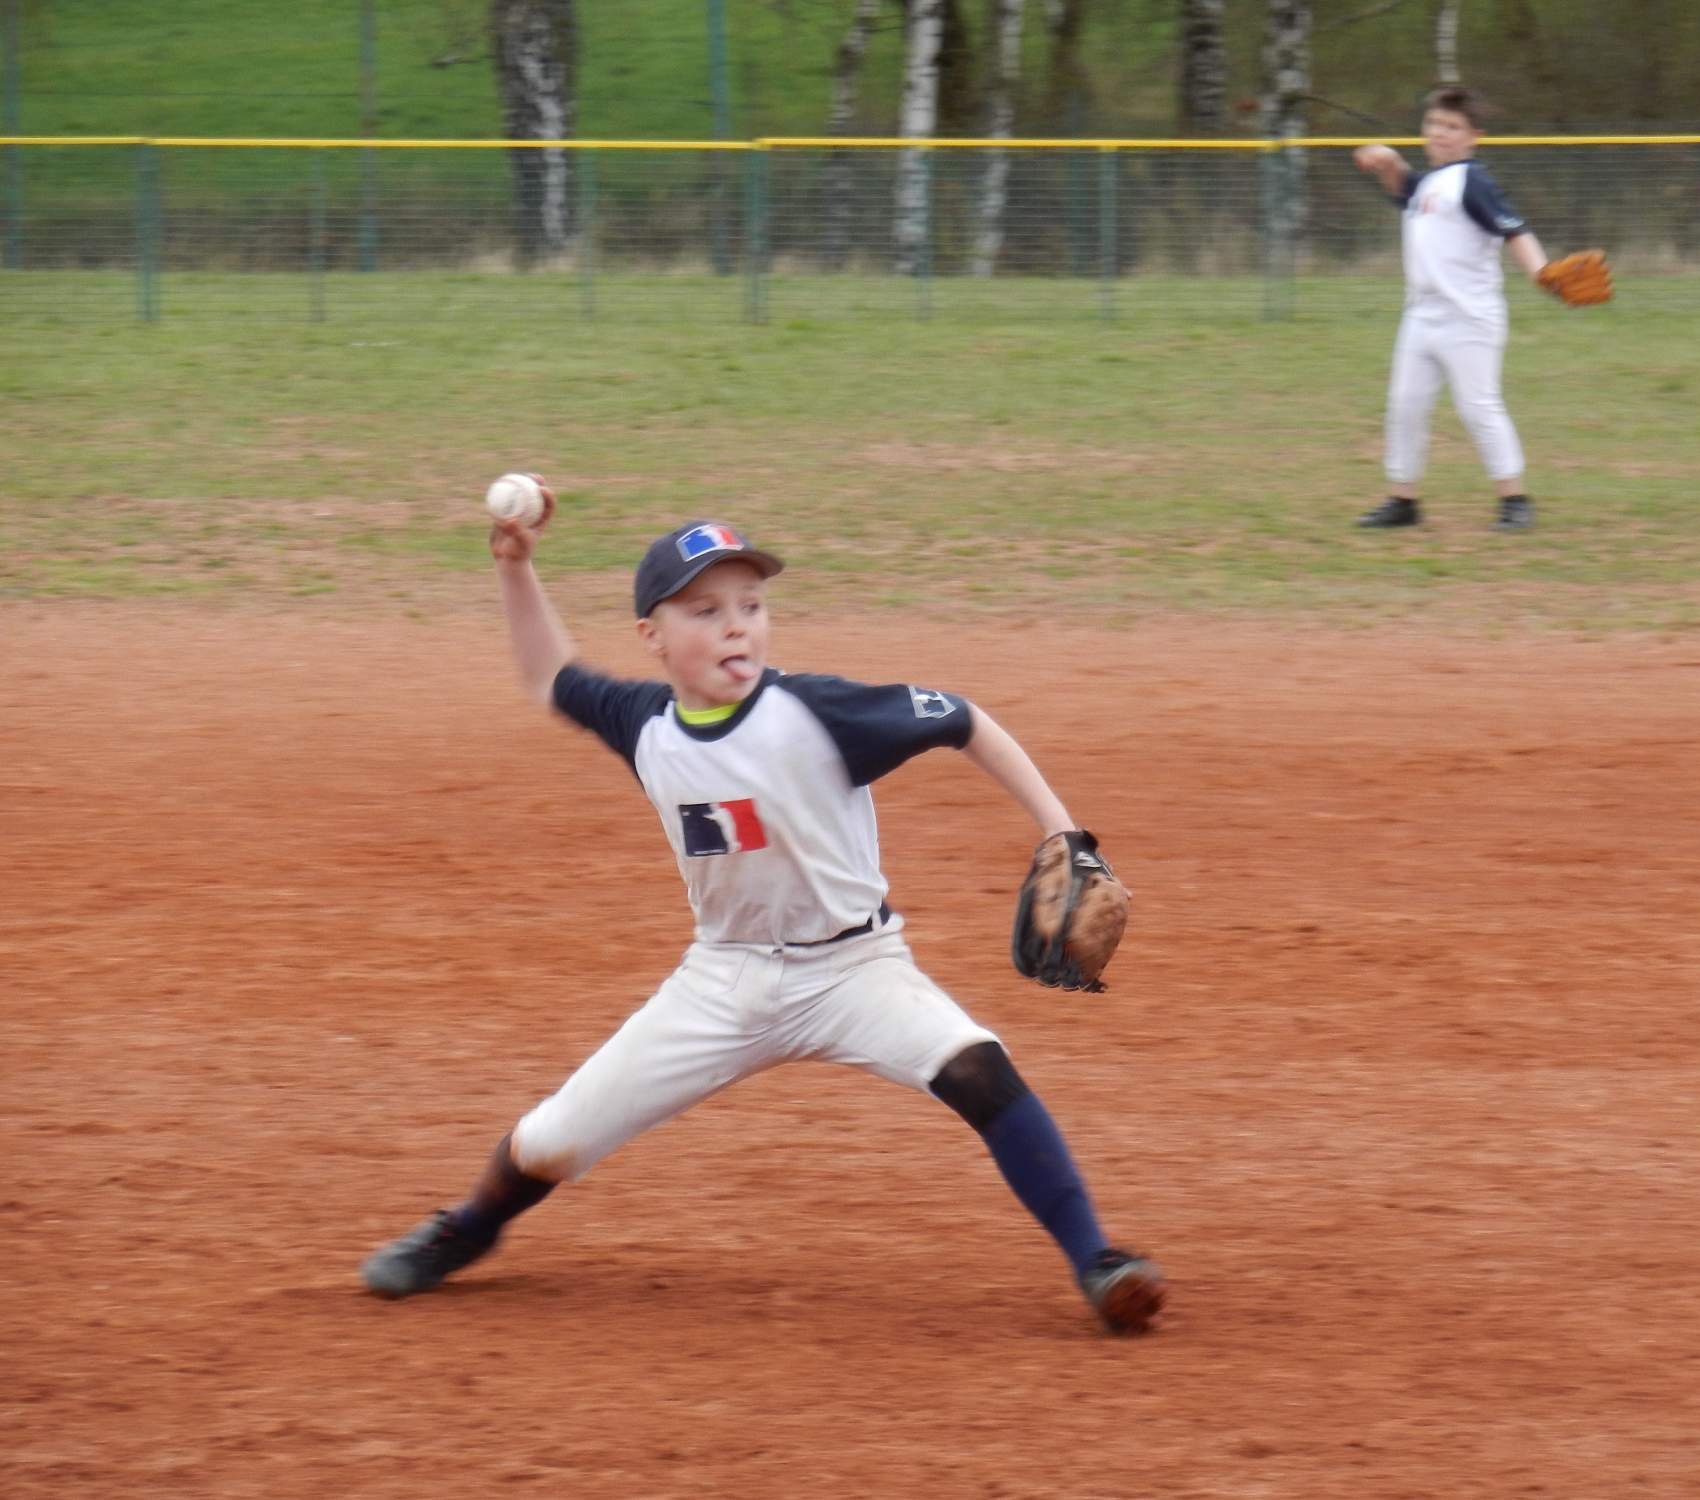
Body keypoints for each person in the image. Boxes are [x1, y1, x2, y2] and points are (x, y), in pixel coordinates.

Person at [358, 493, 1166, 1335]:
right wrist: (515, 565)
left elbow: (966, 721)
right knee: (554, 1139)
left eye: (751, 606)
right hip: (724, 979)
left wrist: (1063, 830)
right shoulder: (644, 725)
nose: (736, 626)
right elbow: (547, 677)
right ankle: (468, 1227)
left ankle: (1098, 1261)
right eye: (706, 611)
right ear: (654, 636)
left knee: (977, 1067)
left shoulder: (817, 712)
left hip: (856, 970)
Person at [1351, 85, 1561, 532]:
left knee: (1478, 407)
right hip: (1421, 315)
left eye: (1453, 127)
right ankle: (1403, 501)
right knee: (1405, 406)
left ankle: (1515, 500)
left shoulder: (1472, 180)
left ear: (1473, 137)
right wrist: (1387, 161)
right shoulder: (1430, 182)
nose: (1441, 133)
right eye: (1434, 124)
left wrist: (1541, 272)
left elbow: (1514, 229)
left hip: (1469, 317)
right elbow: (1402, 189)